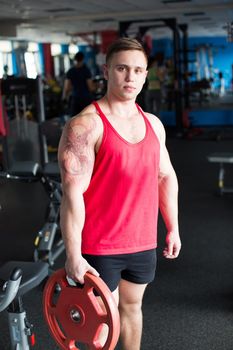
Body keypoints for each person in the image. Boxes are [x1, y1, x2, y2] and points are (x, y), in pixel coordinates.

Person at [58, 37, 181, 350]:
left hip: (141, 241)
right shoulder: (86, 126)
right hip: (100, 244)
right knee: (103, 320)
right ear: (107, 71)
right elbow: (72, 196)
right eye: (122, 68)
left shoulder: (153, 124)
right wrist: (73, 255)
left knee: (131, 309)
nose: (130, 77)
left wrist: (173, 227)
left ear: (145, 75)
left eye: (138, 70)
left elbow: (165, 175)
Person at [62, 51, 95, 116]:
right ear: (83, 59)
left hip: (75, 99)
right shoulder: (86, 71)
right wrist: (96, 87)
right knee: (87, 119)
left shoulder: (71, 71)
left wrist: (64, 97)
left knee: (74, 120)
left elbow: (67, 87)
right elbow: (91, 87)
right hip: (86, 99)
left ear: (75, 59)